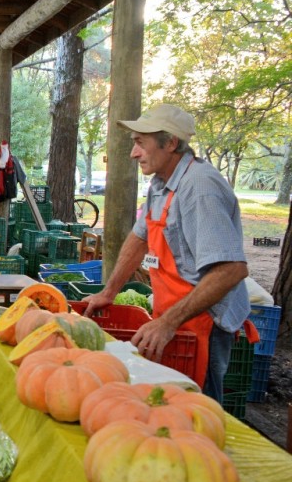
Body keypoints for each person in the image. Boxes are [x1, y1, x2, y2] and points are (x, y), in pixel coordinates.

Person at [83, 104, 249, 403]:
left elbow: (231, 270)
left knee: (197, 405)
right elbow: (139, 238)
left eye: (140, 143)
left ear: (170, 143)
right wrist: (109, 292)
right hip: (173, 314)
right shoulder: (160, 184)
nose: (133, 153)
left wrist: (168, 322)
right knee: (169, 399)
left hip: (204, 322)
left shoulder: (200, 188)